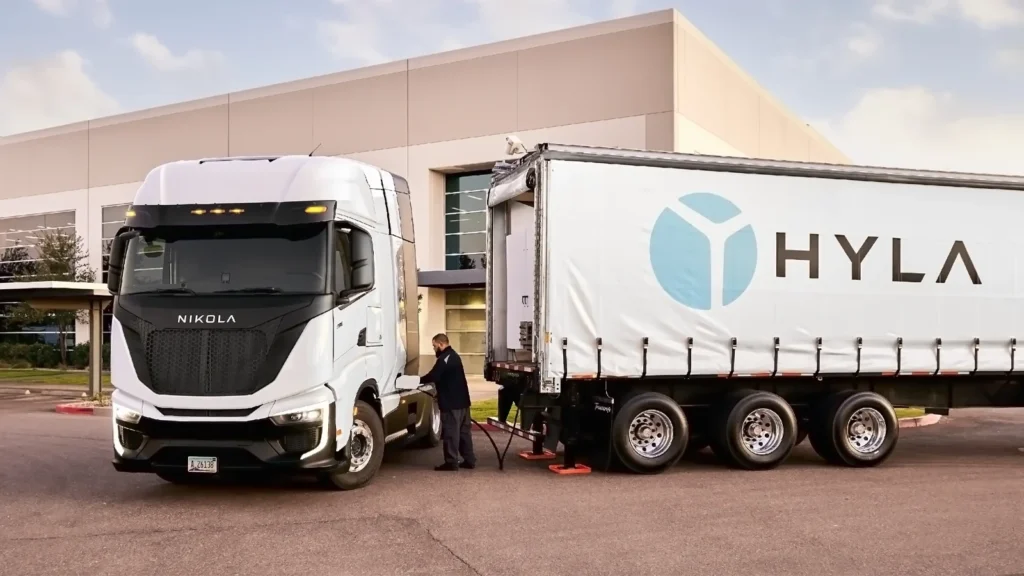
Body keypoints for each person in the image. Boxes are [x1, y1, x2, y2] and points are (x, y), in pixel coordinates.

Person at [419, 333, 476, 471]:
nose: (434, 349)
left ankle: (451, 462)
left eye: (434, 346)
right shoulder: (454, 356)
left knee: (451, 433)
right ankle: (469, 460)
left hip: (451, 403)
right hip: (463, 402)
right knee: (464, 433)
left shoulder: (445, 358)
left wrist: (417, 381)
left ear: (441, 344)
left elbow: (434, 375)